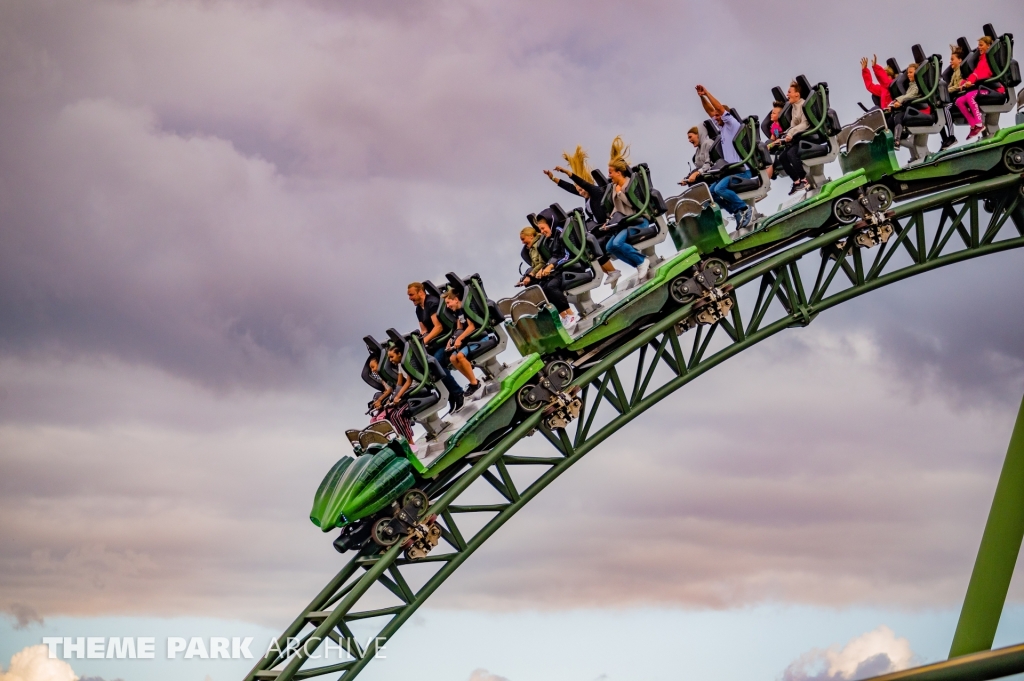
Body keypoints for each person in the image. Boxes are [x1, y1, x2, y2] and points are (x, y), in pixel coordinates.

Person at [543, 146, 621, 287]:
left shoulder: (595, 192)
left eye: (581, 189)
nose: (579, 192)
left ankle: (613, 272)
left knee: (592, 243)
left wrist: (567, 172)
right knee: (587, 245)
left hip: (608, 226)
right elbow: (571, 188)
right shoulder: (586, 196)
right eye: (578, 190)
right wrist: (553, 179)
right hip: (599, 228)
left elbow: (581, 183)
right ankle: (611, 273)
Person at [695, 85, 754, 230]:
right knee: (711, 193)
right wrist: (701, 97)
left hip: (742, 171)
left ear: (724, 115)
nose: (715, 118)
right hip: (732, 172)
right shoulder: (722, 127)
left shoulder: (732, 124)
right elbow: (710, 111)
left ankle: (745, 208)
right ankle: (737, 212)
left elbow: (719, 109)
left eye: (717, 115)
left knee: (720, 188)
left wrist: (707, 93)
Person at [407, 282, 465, 413]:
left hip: (445, 338)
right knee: (426, 366)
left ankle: (458, 393)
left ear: (420, 292)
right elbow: (424, 329)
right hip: (434, 341)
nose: (410, 298)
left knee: (436, 363)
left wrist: (423, 343)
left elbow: (438, 327)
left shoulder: (431, 303)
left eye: (411, 295)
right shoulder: (418, 309)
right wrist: (420, 343)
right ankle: (449, 395)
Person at [599, 136, 651, 281]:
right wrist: (608, 222)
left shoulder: (629, 184)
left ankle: (642, 261)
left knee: (617, 243)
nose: (609, 175)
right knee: (610, 247)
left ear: (618, 173)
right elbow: (617, 209)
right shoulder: (615, 188)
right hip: (627, 223)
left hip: (639, 220)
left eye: (610, 172)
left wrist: (621, 193)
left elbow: (633, 205)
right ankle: (639, 264)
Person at [517, 222, 578, 328]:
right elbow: (534, 265)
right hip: (548, 271)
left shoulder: (539, 245)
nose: (522, 242)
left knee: (550, 287)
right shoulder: (531, 249)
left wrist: (531, 275)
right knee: (542, 290)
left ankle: (571, 314)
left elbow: (543, 262)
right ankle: (564, 317)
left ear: (531, 236)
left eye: (523, 239)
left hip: (557, 270)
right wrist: (525, 277)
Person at [955, 36, 1005, 140]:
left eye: (981, 45)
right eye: (978, 45)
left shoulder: (989, 59)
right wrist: (965, 82)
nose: (979, 47)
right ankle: (974, 126)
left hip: (994, 90)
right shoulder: (981, 59)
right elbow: (975, 73)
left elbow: (983, 73)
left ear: (989, 46)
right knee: (959, 101)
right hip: (984, 88)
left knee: (970, 96)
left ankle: (979, 124)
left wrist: (970, 81)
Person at [442, 288, 482, 397]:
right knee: (452, 358)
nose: (448, 306)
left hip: (479, 337)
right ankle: (473, 381)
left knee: (460, 356)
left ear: (455, 300)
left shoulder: (465, 308)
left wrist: (460, 339)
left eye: (448, 303)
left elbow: (471, 327)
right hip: (469, 341)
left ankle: (474, 383)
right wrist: (452, 340)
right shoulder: (457, 312)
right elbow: (459, 329)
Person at [373, 345, 415, 440]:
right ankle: (403, 439)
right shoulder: (400, 365)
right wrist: (392, 398)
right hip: (407, 390)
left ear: (399, 354)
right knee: (393, 416)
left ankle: (410, 441)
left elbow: (409, 382)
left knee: (399, 414)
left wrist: (398, 396)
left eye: (392, 357)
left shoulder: (407, 363)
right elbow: (399, 384)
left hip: (415, 388)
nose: (391, 360)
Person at [776, 81, 811, 194]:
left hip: (806, 136)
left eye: (789, 92)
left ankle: (804, 180)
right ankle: (796, 181)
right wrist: (783, 136)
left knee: (791, 153)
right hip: (797, 137)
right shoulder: (794, 107)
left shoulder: (803, 105)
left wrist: (791, 134)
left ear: (797, 94)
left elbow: (804, 124)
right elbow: (793, 126)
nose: (787, 95)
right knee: (782, 157)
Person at [766, 101, 785, 179]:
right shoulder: (773, 125)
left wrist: (771, 145)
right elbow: (772, 138)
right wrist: (768, 145)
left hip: (783, 144)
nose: (771, 114)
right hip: (775, 145)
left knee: (769, 156)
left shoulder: (783, 124)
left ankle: (768, 176)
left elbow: (782, 139)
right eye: (771, 113)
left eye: (774, 113)